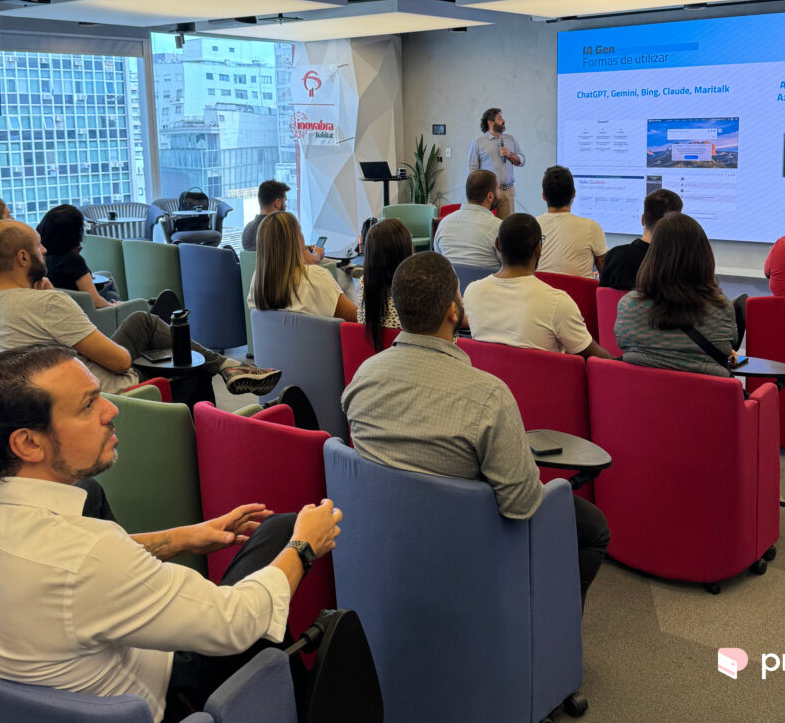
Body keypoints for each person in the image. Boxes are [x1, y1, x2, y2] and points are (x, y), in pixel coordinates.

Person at [0, 346, 342, 722]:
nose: (111, 410)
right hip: (161, 693)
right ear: (29, 444)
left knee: (89, 493)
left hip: (41, 687)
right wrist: (304, 548)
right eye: (88, 406)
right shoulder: (92, 559)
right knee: (280, 530)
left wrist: (182, 538)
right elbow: (237, 622)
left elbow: (81, 571)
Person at [342, 252, 608, 610]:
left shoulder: (362, 378)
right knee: (593, 527)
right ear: (454, 311)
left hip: (387, 536)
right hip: (466, 544)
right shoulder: (489, 396)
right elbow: (522, 505)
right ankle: (553, 626)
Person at [0, 219, 280, 397]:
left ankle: (227, 367)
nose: (45, 251)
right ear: (23, 258)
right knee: (182, 362)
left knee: (142, 321)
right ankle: (225, 368)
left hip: (41, 400)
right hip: (104, 392)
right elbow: (119, 362)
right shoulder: (48, 304)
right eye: (38, 247)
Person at [463, 214, 611, 359]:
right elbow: (596, 357)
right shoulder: (557, 302)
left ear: (497, 245)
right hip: (542, 383)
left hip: (487, 380)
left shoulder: (472, 292)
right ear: (539, 247)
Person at [615, 212, 738, 377]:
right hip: (704, 400)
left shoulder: (628, 306)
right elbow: (725, 346)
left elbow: (623, 344)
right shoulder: (722, 308)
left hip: (642, 399)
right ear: (703, 256)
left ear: (653, 255)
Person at [248, 212, 357, 322]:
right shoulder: (316, 277)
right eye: (299, 231)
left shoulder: (257, 281)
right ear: (295, 242)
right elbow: (359, 319)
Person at [599, 188, 683, 291]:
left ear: (643, 219)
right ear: (676, 224)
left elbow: (602, 297)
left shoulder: (615, 256)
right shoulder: (679, 263)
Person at [37, 204, 117, 309]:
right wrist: (116, 306)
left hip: (60, 305)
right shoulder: (73, 261)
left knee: (107, 280)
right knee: (110, 289)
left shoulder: (39, 256)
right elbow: (95, 302)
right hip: (84, 309)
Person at [536, 166, 607, 277]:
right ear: (573, 193)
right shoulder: (591, 227)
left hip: (540, 293)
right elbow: (606, 274)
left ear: (543, 196)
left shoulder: (532, 227)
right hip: (579, 294)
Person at [357, 218, 413, 351]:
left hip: (372, 363)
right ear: (404, 252)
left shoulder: (364, 283)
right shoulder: (415, 290)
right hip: (410, 364)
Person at [432, 170, 502, 269]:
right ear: (490, 196)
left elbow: (439, 259)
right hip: (487, 283)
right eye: (499, 189)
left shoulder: (444, 223)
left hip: (452, 283)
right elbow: (511, 267)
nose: (500, 193)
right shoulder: (499, 227)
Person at [466, 108, 524, 220]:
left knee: (506, 228)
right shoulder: (478, 142)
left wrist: (510, 155)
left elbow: (522, 161)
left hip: (508, 191)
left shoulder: (510, 139)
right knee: (485, 225)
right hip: (487, 194)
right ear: (490, 122)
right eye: (500, 118)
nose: (503, 121)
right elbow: (472, 171)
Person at [241, 180, 290, 252]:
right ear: (278, 203)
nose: (285, 206)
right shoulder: (280, 230)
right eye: (284, 201)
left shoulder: (247, 229)